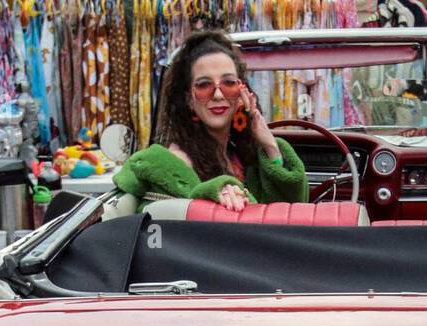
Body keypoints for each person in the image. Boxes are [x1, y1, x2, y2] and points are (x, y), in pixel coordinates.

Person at [113, 30, 307, 211]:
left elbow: (289, 212)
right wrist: (211, 194)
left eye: (228, 83)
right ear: (188, 99)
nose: (218, 95)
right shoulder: (175, 163)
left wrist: (270, 145)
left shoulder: (241, 155)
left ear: (242, 94)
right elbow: (158, 217)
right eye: (204, 85)